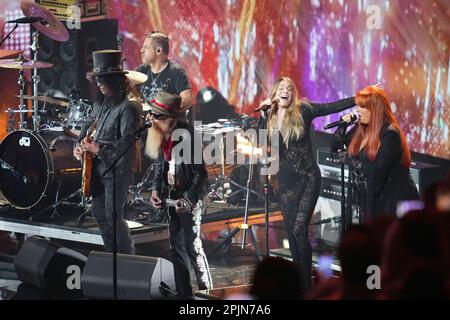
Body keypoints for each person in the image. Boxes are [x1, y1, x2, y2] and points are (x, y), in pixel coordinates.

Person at [258, 76, 362, 294]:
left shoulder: (303, 110)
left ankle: (306, 289)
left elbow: (331, 106)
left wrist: (359, 98)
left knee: (298, 229)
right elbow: (261, 141)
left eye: (289, 88)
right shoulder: (268, 115)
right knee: (291, 232)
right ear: (275, 93)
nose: (286, 91)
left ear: (293, 93)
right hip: (285, 182)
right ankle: (299, 285)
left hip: (308, 178)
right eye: (282, 88)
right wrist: (262, 113)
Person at [73, 50, 141, 254]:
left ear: (116, 80)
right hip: (98, 168)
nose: (99, 84)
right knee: (99, 212)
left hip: (116, 170)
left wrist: (98, 149)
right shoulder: (100, 102)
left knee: (113, 216)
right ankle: (113, 256)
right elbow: (87, 126)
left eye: (103, 80)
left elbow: (128, 142)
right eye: (97, 79)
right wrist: (79, 146)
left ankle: (127, 261)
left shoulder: (129, 107)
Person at [146, 91, 212, 298]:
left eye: (156, 115)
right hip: (171, 196)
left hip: (188, 198)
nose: (151, 118)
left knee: (192, 245)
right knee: (176, 246)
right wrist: (156, 190)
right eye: (151, 114)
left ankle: (207, 292)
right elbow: (160, 166)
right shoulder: (159, 134)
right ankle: (184, 294)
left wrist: (189, 199)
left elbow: (200, 175)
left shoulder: (187, 136)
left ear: (170, 118)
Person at [338, 86, 419, 220]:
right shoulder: (362, 127)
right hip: (375, 196)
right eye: (357, 105)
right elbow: (335, 146)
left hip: (394, 199)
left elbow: (377, 173)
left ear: (375, 110)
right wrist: (342, 125)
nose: (357, 110)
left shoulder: (390, 134)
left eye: (362, 106)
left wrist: (349, 160)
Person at [136, 31, 193, 113]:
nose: (141, 50)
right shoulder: (142, 70)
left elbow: (188, 99)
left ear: (158, 51)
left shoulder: (176, 71)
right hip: (147, 123)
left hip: (166, 124)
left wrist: (168, 115)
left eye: (146, 48)